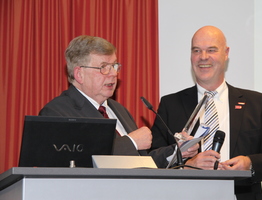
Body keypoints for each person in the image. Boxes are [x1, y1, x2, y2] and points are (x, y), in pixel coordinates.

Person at [150, 26, 262, 199]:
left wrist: (249, 163)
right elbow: (152, 161)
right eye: (196, 50)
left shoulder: (257, 104)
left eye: (211, 50)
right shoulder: (171, 104)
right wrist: (187, 166)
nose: (203, 57)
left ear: (226, 53)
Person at [39, 35, 198, 168]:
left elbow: (139, 163)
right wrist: (131, 142)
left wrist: (176, 151)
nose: (113, 74)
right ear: (79, 74)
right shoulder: (56, 112)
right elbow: (77, 162)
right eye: (104, 67)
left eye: (114, 66)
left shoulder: (118, 109)